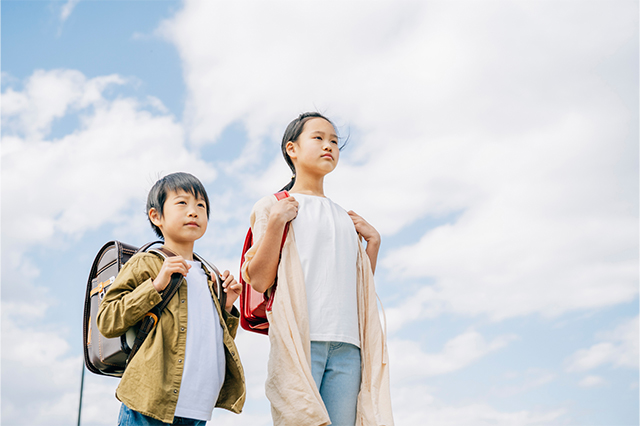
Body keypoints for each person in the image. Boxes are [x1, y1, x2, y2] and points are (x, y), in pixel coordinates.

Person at [241, 113, 393, 426]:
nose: (329, 146)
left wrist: (373, 245)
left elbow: (357, 289)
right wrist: (276, 224)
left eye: (334, 141)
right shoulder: (273, 205)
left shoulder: (344, 217)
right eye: (319, 138)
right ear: (291, 149)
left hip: (348, 346)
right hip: (301, 340)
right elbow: (258, 279)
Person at [97, 172, 245, 425]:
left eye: (201, 206)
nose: (194, 211)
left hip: (197, 406)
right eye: (182, 203)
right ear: (157, 216)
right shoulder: (149, 262)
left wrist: (227, 305)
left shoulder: (211, 275)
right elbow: (107, 320)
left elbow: (211, 340)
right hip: (150, 401)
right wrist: (155, 286)